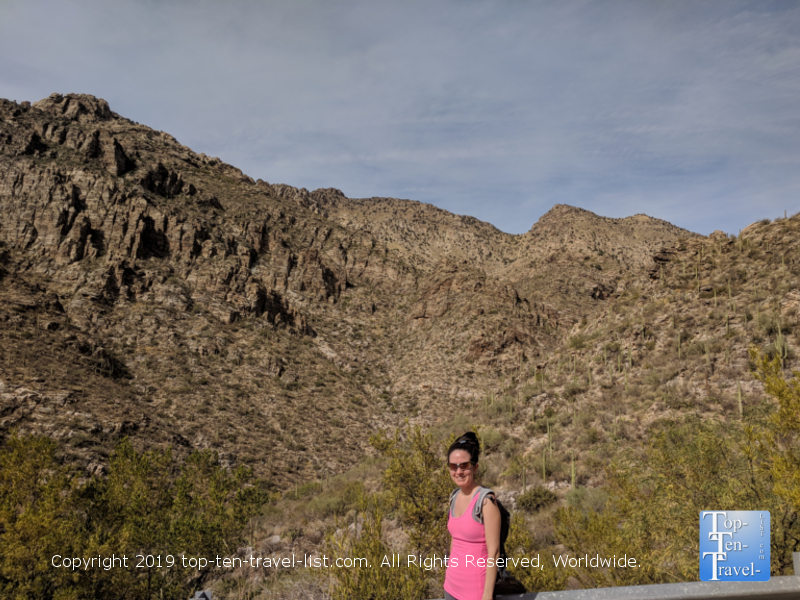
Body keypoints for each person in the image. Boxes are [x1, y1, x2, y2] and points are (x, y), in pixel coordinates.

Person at [443, 432, 501, 600]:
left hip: (475, 592)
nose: (458, 471)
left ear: (475, 467)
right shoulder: (454, 497)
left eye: (464, 465)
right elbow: (455, 539)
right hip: (450, 587)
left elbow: (494, 553)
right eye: (453, 466)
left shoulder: (485, 502)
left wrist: (487, 596)